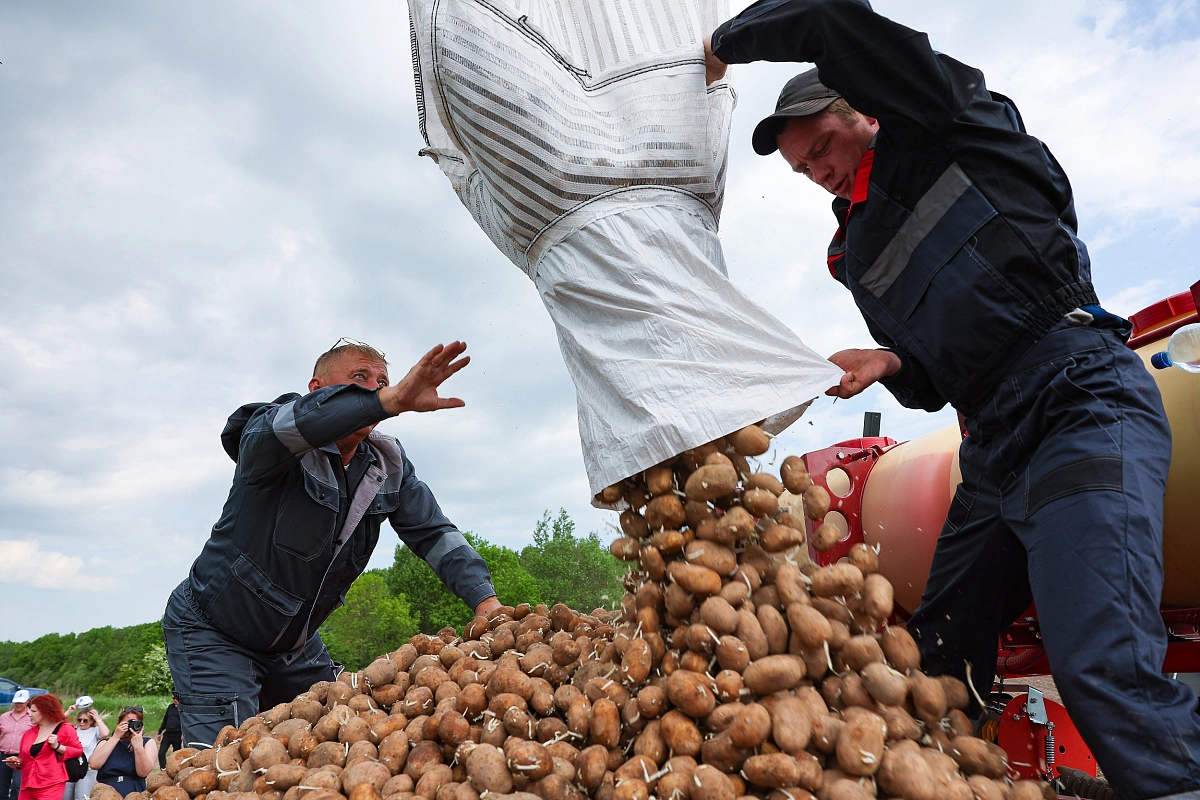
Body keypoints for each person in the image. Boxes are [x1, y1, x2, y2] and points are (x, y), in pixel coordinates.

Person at [703, 1, 1200, 797]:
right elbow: (935, 382)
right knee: (937, 663)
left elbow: (834, 19)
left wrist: (719, 46)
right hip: (993, 446)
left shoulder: (944, 121)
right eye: (803, 170)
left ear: (863, 109)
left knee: (1102, 663)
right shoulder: (851, 253)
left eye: (823, 146)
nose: (819, 171)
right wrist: (889, 362)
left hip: (1078, 397)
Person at [163, 339, 500, 747]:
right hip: (216, 631)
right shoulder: (273, 435)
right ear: (317, 388)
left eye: (382, 381)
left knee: (344, 736)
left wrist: (487, 604)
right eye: (360, 378)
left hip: (294, 644)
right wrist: (385, 400)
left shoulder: (386, 464)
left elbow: (434, 533)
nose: (375, 389)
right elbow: (295, 424)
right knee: (221, 762)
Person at [2, 695, 82, 800]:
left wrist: (58, 746)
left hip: (50, 784)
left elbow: (78, 751)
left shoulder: (65, 729)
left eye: (34, 711)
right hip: (27, 784)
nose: (29, 714)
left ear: (46, 712)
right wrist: (16, 762)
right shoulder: (28, 733)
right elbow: (23, 758)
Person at [88, 708, 155, 798]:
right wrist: (116, 737)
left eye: (134, 723)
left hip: (135, 792)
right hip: (107, 792)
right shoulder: (106, 743)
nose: (130, 728)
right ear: (118, 724)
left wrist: (138, 746)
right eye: (126, 724)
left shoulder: (147, 743)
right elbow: (94, 764)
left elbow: (143, 772)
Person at [63, 708, 107, 800]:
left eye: (85, 720)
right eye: (79, 720)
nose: (82, 722)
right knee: (65, 797)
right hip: (71, 766)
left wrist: (97, 717)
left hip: (87, 768)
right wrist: (69, 711)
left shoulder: (95, 731)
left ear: (91, 721)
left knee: (81, 796)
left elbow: (105, 733)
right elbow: (57, 725)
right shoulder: (73, 729)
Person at [0, 690, 33, 800]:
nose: (18, 705)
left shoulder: (32, 717)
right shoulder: (4, 717)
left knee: (17, 786)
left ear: (27, 701)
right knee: (2, 786)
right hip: (4, 755)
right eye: (16, 702)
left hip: (22, 757)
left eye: (21, 702)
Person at [154, 696, 179, 771]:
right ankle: (163, 769)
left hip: (177, 734)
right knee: (161, 753)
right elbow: (165, 719)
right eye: (174, 698)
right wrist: (160, 732)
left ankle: (175, 770)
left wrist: (183, 734)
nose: (175, 700)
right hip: (168, 734)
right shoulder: (170, 707)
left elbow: (184, 722)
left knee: (176, 755)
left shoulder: (182, 708)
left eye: (177, 699)